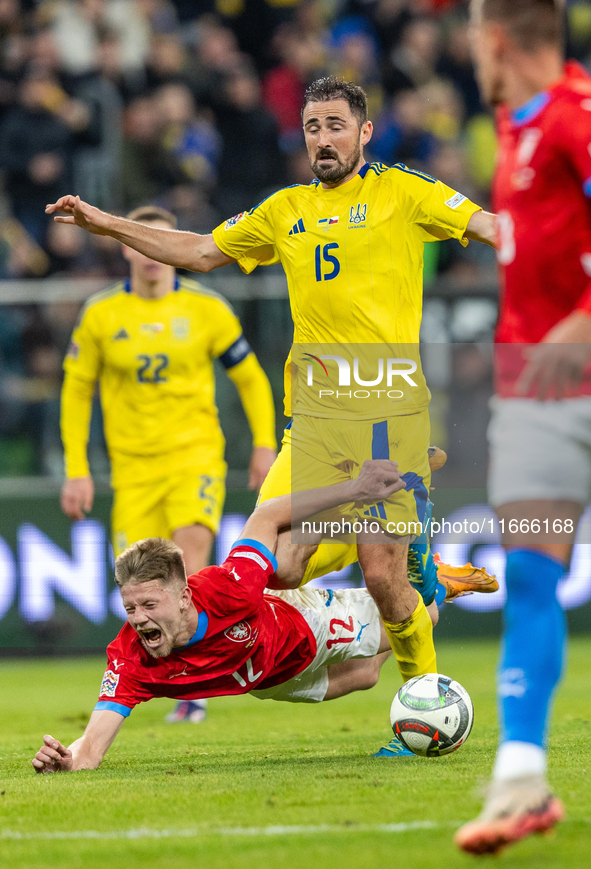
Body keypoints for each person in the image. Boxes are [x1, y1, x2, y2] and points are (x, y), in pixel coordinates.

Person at [46, 76, 497, 757]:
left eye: (335, 125)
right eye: (312, 127)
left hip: (388, 413)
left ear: (364, 131)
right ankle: (409, 539)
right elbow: (200, 250)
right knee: (279, 570)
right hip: (313, 422)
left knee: (380, 579)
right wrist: (104, 222)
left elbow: (491, 227)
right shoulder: (283, 210)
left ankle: (423, 705)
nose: (322, 138)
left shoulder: (405, 191)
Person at [32, 460, 410, 773]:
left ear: (183, 598)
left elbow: (267, 515)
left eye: (149, 605)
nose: (139, 619)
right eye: (130, 607)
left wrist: (353, 491)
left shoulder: (226, 588)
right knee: (366, 675)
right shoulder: (131, 659)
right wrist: (69, 759)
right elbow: (92, 748)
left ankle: (417, 558)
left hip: (302, 628)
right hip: (267, 680)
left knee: (414, 614)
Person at [455, 0, 591, 854]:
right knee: (532, 575)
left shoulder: (577, 118)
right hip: (532, 397)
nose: (470, 54)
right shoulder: (515, 127)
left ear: (497, 40)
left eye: (473, 37)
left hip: (575, 371)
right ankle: (519, 779)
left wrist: (581, 321)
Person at [60, 204, 277, 724]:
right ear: (125, 247)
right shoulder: (100, 315)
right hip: (132, 469)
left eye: (159, 243)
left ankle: (196, 685)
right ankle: (163, 675)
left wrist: (265, 444)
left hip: (195, 456)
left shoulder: (208, 310)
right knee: (139, 581)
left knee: (190, 553)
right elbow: (75, 389)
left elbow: (249, 377)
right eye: (139, 243)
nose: (150, 256)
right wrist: (77, 467)